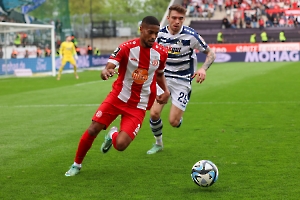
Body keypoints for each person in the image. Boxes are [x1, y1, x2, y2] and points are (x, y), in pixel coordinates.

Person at [64, 16, 170, 176]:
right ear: (141, 29)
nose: (153, 37)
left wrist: (166, 91)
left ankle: (112, 133)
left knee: (120, 145)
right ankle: (76, 165)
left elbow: (160, 74)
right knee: (93, 129)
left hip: (138, 105)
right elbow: (109, 66)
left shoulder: (161, 53)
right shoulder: (126, 48)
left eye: (156, 33)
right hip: (117, 98)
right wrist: (106, 71)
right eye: (150, 32)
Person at [146, 4, 216, 154]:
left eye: (181, 18)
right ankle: (158, 143)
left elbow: (211, 53)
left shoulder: (191, 35)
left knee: (173, 122)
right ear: (168, 18)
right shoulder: (159, 35)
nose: (177, 21)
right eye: (174, 18)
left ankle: (178, 118)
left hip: (182, 80)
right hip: (163, 78)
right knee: (154, 113)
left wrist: (203, 68)